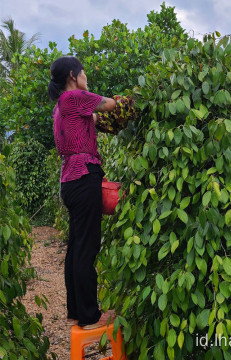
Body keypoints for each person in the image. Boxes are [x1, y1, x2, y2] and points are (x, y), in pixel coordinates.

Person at [48, 56, 116, 329]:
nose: (87, 77)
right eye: (84, 72)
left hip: (69, 182)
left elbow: (96, 117)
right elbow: (110, 105)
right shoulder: (75, 96)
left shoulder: (60, 107)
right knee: (87, 248)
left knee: (77, 246)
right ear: (73, 75)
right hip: (85, 176)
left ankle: (76, 309)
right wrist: (129, 101)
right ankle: (90, 316)